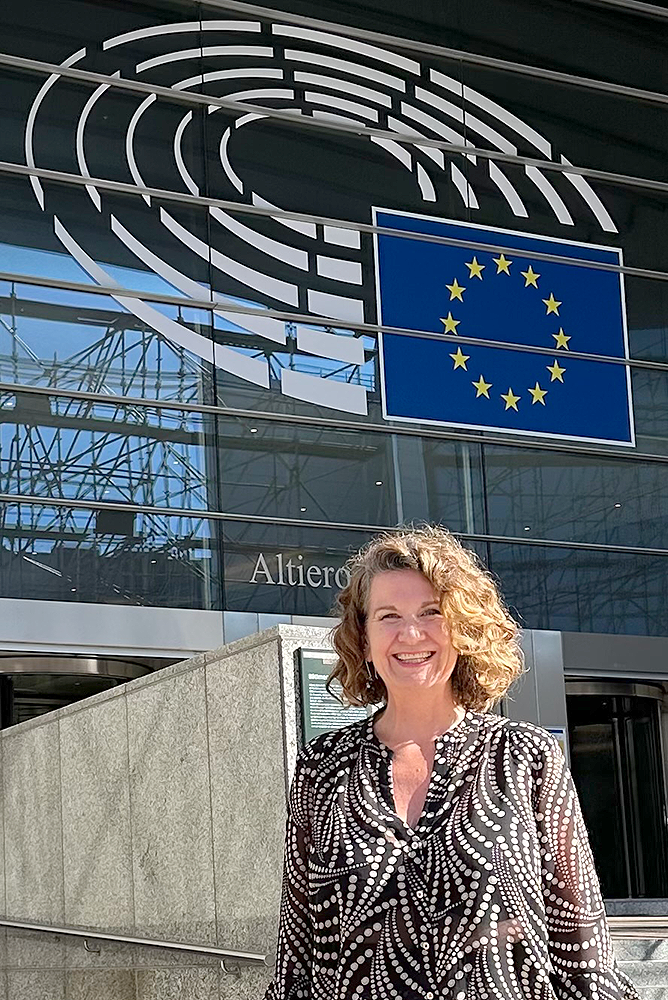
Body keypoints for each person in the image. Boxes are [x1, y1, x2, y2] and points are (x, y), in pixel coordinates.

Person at [263, 526, 639, 1000]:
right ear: (363, 637)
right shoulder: (323, 765)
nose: (410, 633)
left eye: (431, 612)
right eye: (388, 616)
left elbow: (580, 943)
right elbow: (298, 952)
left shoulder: (526, 756)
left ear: (463, 628)